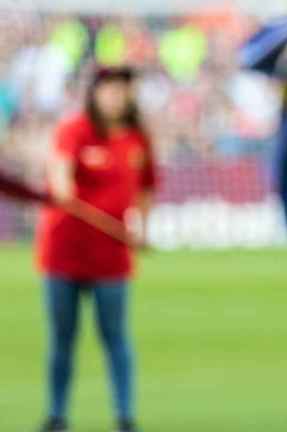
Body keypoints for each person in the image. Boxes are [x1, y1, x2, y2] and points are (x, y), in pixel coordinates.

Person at [35, 66, 156, 432]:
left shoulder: (138, 138)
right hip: (64, 254)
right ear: (96, 93)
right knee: (62, 340)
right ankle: (56, 416)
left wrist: (141, 228)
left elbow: (147, 188)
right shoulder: (74, 130)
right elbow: (60, 173)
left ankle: (125, 416)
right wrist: (62, 185)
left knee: (116, 338)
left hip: (112, 257)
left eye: (122, 90)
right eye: (109, 90)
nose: (116, 97)